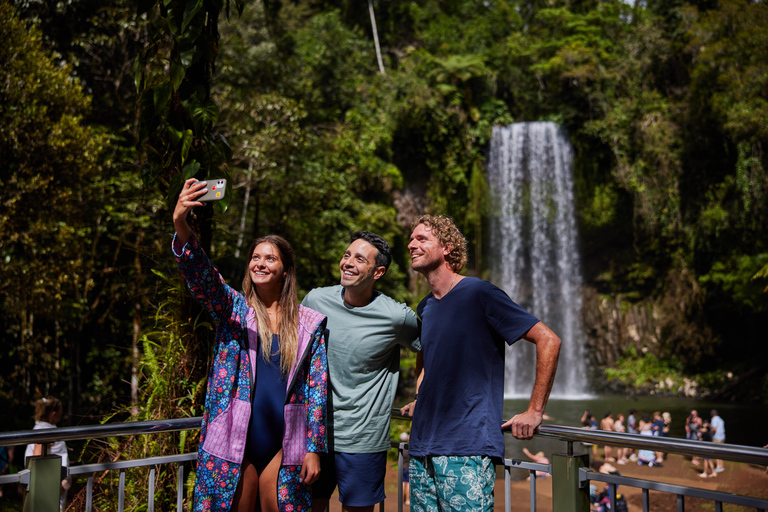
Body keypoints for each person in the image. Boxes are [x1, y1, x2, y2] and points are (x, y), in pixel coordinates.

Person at [173, 178, 329, 512]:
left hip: (285, 444)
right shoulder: (234, 311)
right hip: (234, 440)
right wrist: (181, 224)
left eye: (269, 258)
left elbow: (317, 391)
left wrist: (314, 447)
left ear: (285, 269)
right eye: (255, 257)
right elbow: (203, 277)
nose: (259, 263)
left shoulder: (308, 325)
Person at [401, 214, 561, 511]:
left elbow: (548, 339)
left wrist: (535, 410)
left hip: (466, 449)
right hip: (422, 448)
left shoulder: (479, 293)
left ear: (447, 247)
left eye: (421, 238)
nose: (411, 244)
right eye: (411, 239)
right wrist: (420, 396)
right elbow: (426, 359)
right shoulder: (426, 306)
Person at [302, 231, 421, 512]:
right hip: (314, 436)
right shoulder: (315, 301)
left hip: (363, 439)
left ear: (378, 271)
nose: (348, 262)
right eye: (346, 255)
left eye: (359, 258)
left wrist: (422, 393)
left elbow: (427, 349)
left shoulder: (396, 317)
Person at [24, 397, 71, 511]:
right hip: (50, 495)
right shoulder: (47, 433)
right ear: (53, 414)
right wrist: (60, 487)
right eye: (61, 412)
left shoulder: (37, 429)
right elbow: (37, 458)